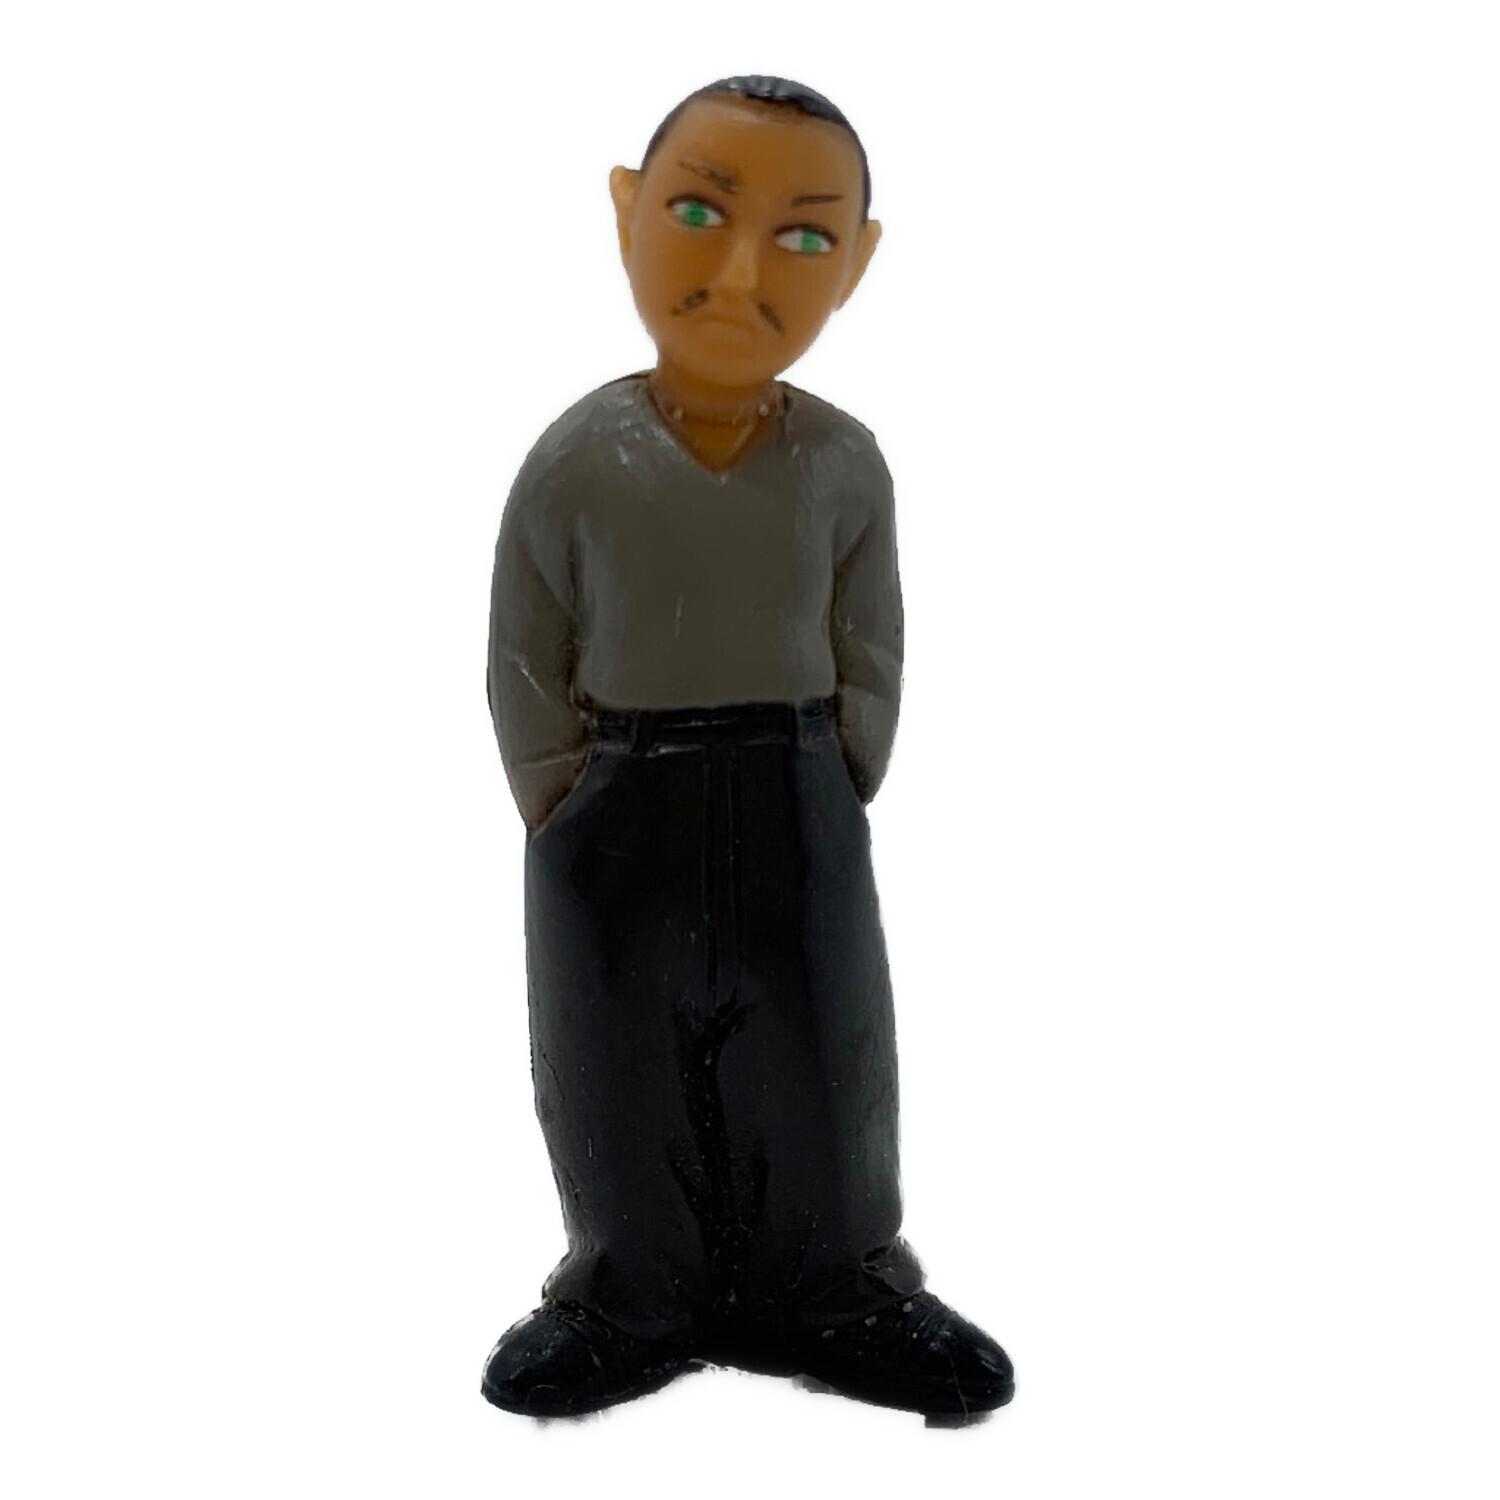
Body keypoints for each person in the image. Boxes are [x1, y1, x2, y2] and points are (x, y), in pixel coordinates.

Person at [481, 76, 1014, 1419]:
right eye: (698, 213)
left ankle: (834, 1280)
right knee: (615, 1048)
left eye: (803, 235)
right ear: (627, 212)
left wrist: (839, 768)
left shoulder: (841, 464)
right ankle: (628, 1288)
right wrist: (560, 793)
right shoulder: (578, 461)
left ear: (858, 264)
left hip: (793, 785)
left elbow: (870, 633)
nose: (739, 275)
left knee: (821, 1042)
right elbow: (526, 639)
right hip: (617, 793)